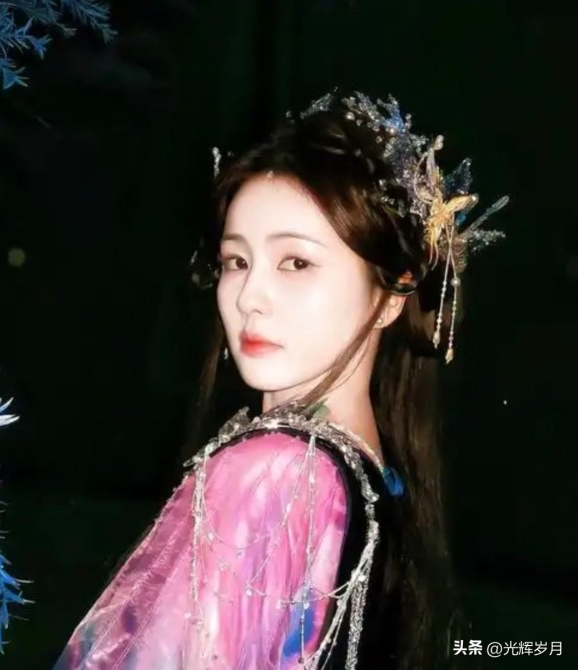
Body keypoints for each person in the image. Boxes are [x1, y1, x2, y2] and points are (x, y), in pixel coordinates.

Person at [53, 90, 506, 669]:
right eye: (236, 261)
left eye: (296, 262)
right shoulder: (380, 471)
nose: (250, 296)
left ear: (392, 293)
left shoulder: (274, 472)